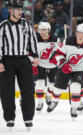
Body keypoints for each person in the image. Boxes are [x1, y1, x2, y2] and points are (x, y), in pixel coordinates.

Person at [0, 0, 38, 130]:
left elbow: (32, 40)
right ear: (11, 11)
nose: (20, 12)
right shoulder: (3, 26)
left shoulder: (26, 25)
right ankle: (9, 117)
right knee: (7, 91)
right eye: (17, 10)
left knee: (28, 90)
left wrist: (35, 55)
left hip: (23, 60)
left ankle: (28, 117)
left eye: (21, 10)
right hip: (7, 61)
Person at [47, 23, 83, 119]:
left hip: (79, 70)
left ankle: (74, 108)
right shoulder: (68, 41)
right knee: (57, 89)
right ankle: (54, 101)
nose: (81, 35)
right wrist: (63, 64)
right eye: (79, 33)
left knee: (76, 88)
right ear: (76, 33)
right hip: (66, 67)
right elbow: (58, 54)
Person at [34, 21, 58, 112]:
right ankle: (40, 102)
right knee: (39, 84)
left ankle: (48, 94)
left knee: (53, 84)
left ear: (48, 30)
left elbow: (60, 51)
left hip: (53, 65)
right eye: (40, 30)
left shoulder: (55, 39)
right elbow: (32, 51)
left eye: (44, 30)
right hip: (40, 64)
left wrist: (55, 56)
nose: (42, 32)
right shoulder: (36, 39)